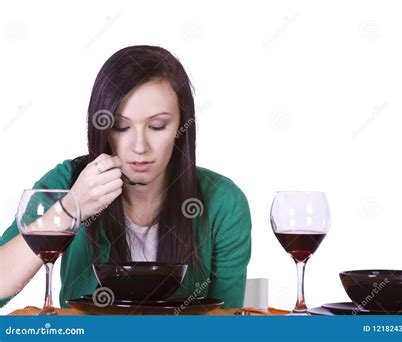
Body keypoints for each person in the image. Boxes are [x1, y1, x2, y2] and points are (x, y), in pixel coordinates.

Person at [0, 45, 252, 309]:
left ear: (182, 126)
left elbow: (226, 321)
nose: (139, 146)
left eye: (157, 126)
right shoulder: (67, 181)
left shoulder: (223, 202)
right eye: (121, 127)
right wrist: (71, 208)